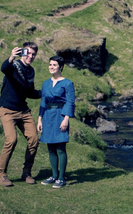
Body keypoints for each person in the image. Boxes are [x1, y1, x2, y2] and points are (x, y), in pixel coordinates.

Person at [0, 42, 41, 187]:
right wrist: (10, 57)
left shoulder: (31, 71)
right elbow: (4, 68)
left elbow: (30, 92)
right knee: (11, 140)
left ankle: (26, 173)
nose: (31, 56)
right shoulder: (13, 66)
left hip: (23, 111)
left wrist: (46, 92)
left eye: (33, 54)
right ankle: (1, 175)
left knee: (34, 139)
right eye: (28, 53)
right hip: (7, 109)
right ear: (23, 52)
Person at [38, 56, 76, 188]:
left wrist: (66, 119)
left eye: (54, 65)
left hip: (60, 116)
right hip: (48, 116)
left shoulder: (67, 83)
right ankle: (53, 175)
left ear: (61, 67)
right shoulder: (45, 83)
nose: (51, 67)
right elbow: (43, 102)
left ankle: (61, 178)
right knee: (50, 148)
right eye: (50, 64)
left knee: (60, 147)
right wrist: (39, 119)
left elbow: (70, 102)